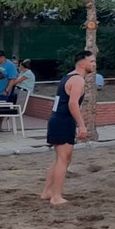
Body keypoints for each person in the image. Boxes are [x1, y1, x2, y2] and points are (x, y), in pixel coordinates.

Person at [40, 50, 95, 206]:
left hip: (59, 120)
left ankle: (47, 192)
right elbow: (72, 104)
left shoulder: (68, 76)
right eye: (91, 61)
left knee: (61, 159)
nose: (94, 64)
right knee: (63, 159)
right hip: (63, 121)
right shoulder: (78, 80)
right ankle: (56, 197)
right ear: (82, 63)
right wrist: (82, 126)